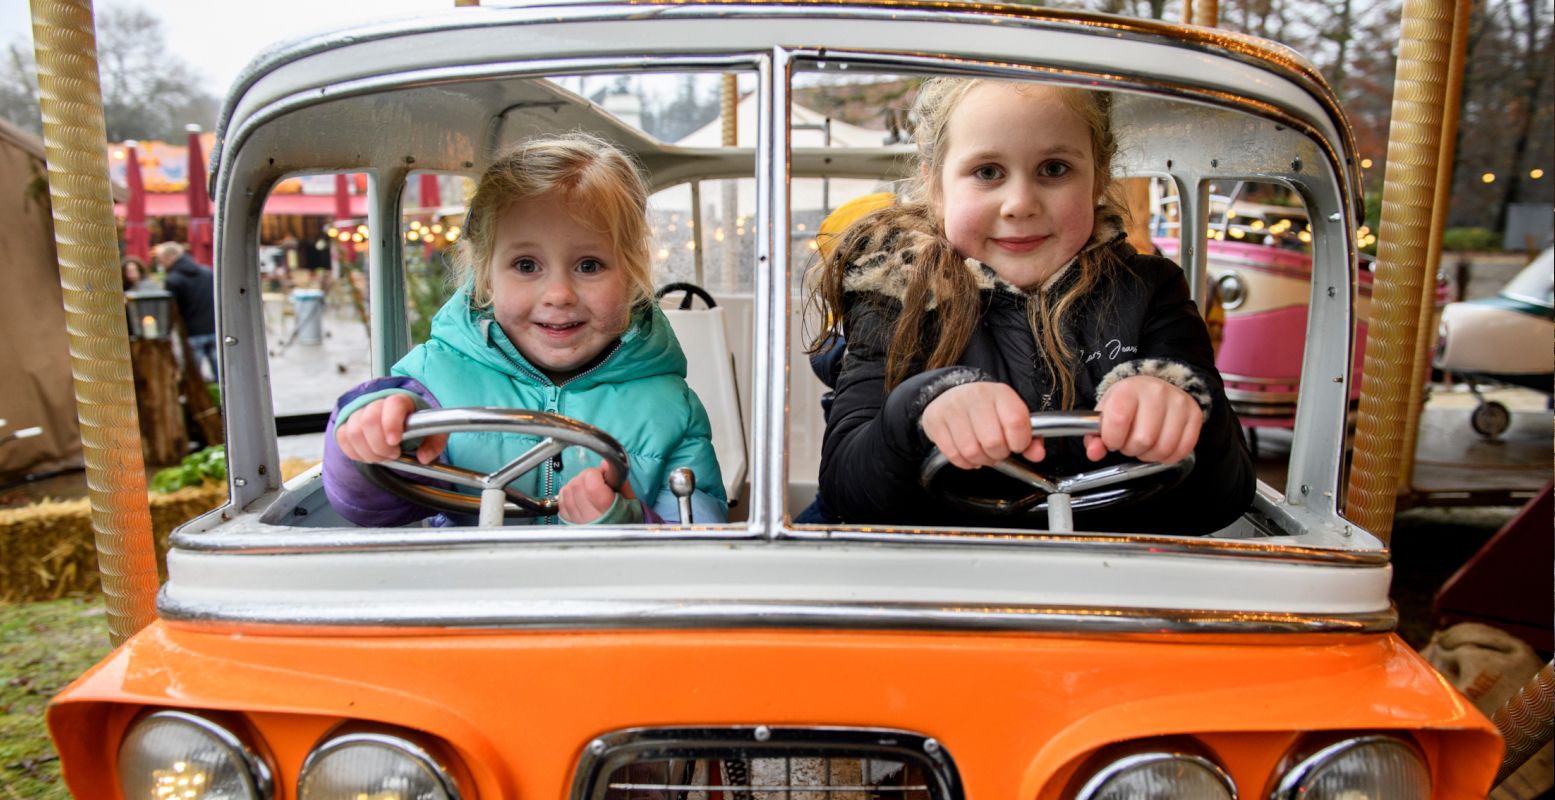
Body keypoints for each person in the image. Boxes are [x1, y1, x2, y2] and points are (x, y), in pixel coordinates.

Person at [808, 78, 1254, 534]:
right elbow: (847, 490)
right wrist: (919, 409)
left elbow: (1224, 498)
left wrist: (1183, 405)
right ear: (936, 183)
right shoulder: (897, 296)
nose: (1020, 204)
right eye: (987, 172)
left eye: (1054, 169)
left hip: (1112, 573)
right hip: (943, 578)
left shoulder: (1152, 288)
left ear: (1098, 176)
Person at [323, 133, 726, 527]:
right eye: (526, 265)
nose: (558, 294)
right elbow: (367, 507)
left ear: (633, 277)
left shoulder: (673, 409)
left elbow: (698, 542)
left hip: (606, 592)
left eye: (589, 265)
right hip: (471, 591)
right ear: (486, 279)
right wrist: (369, 439)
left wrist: (624, 521)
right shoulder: (431, 384)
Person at [154, 241, 219, 381]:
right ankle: (223, 399)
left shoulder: (173, 280)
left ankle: (204, 401)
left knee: (194, 377)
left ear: (170, 256)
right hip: (214, 329)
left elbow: (170, 310)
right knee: (221, 374)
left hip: (192, 333)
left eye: (160, 260)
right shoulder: (208, 272)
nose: (160, 264)